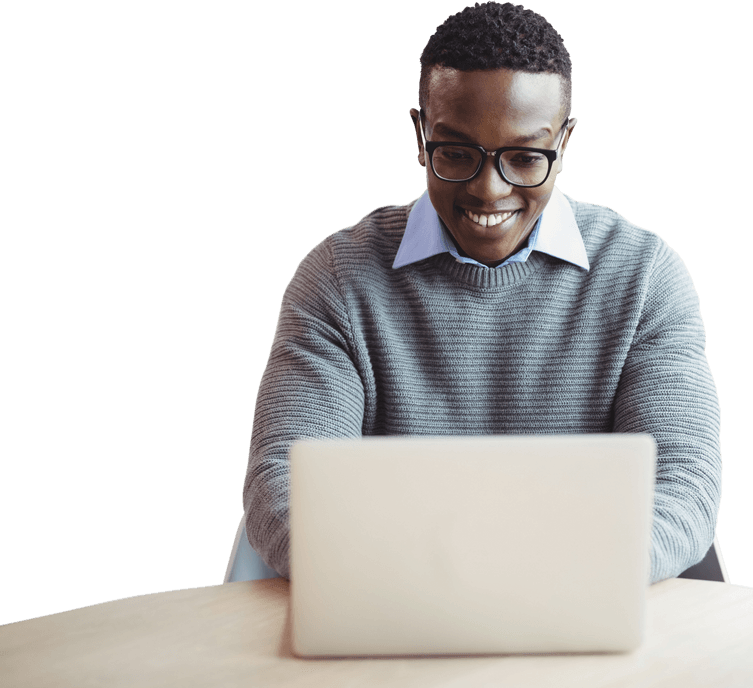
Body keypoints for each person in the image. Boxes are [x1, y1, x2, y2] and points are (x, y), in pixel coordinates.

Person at [243, 1, 722, 585]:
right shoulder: (338, 280)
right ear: (420, 136)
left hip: (582, 614)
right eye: (456, 153)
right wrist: (431, 584)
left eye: (524, 158)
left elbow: (683, 485)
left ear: (564, 143)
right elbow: (285, 483)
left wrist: (554, 579)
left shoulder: (644, 278)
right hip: (391, 615)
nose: (489, 190)